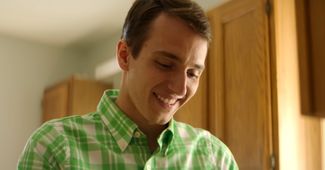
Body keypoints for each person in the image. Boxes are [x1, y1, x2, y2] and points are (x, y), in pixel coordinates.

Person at [18, 0, 238, 169]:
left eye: (192, 73)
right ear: (124, 56)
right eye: (165, 64)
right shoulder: (54, 146)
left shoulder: (215, 157)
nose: (180, 89)